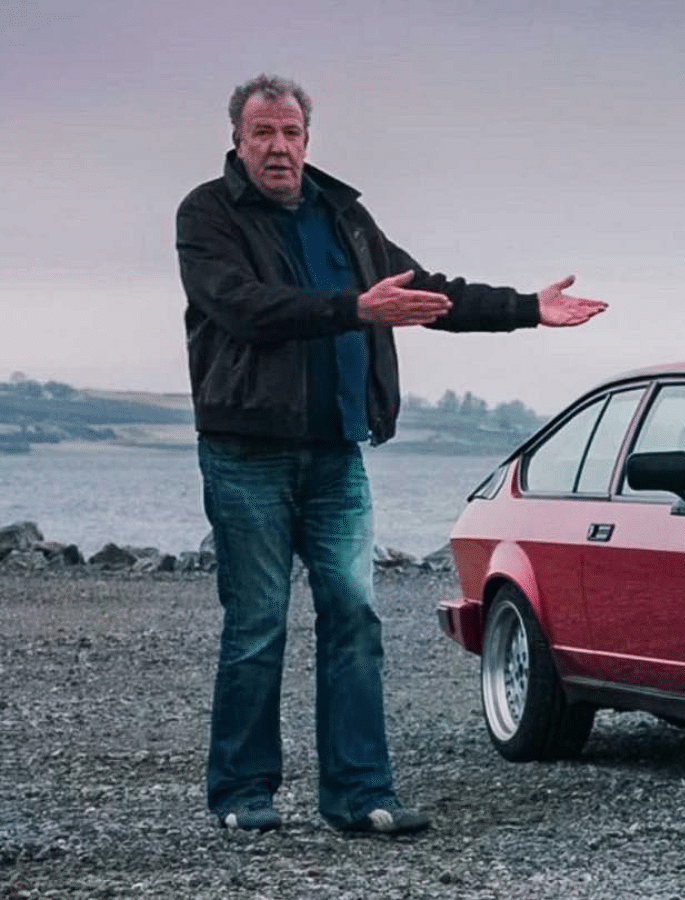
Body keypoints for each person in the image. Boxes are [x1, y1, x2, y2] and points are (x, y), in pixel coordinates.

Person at [175, 74, 607, 835]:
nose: (278, 147)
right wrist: (354, 309)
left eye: (290, 133)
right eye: (262, 134)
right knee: (257, 625)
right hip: (247, 453)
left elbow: (425, 293)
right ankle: (243, 794)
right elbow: (239, 306)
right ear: (237, 142)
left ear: (308, 139)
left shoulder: (344, 217)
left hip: (339, 455)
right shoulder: (207, 214)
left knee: (354, 618)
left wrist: (527, 311)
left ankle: (359, 796)